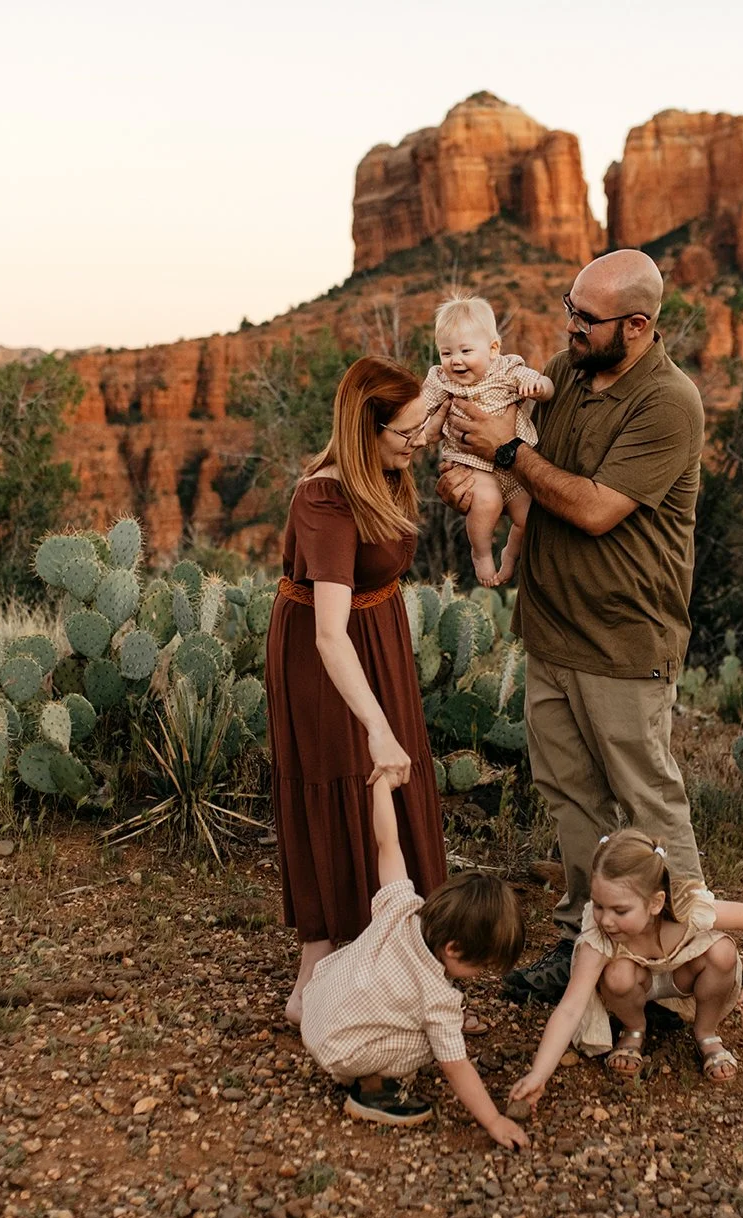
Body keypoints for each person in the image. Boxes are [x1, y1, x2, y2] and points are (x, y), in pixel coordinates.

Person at [438, 250, 706, 1003]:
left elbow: (592, 507)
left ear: (638, 324)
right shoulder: (570, 372)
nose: (570, 325)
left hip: (624, 641)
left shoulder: (668, 402)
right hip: (551, 631)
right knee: (572, 800)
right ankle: (583, 943)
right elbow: (509, 459)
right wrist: (473, 476)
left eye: (585, 318)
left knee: (647, 801)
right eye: (569, 307)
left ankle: (688, 958)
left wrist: (505, 451)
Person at [265, 355, 448, 1027]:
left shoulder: (388, 463)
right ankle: (317, 971)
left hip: (382, 636)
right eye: (404, 432)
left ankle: (412, 972)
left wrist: (444, 386)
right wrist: (375, 721)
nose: (418, 439)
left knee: (394, 785)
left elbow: (436, 392)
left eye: (420, 425)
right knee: (341, 778)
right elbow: (329, 635)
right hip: (329, 655)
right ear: (364, 430)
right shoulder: (327, 497)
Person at [300, 771, 530, 1145]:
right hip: (340, 1049)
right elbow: (455, 1065)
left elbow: (387, 843)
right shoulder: (438, 997)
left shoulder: (403, 906)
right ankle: (373, 1089)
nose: (480, 975)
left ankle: (358, 1058)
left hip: (317, 1007)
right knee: (433, 1040)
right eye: (480, 966)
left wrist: (379, 786)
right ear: (454, 949)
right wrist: (493, 1121)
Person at [508, 829, 743, 1102]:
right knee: (617, 974)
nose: (606, 920)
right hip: (634, 984)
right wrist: (538, 1075)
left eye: (620, 910)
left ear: (655, 903)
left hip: (681, 978)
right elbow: (569, 1009)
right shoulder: (598, 937)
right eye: (598, 905)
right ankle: (634, 1028)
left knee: (722, 952)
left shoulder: (688, 909)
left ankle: (705, 1032)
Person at [419, 296, 554, 585]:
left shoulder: (507, 370)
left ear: (493, 349)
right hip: (473, 466)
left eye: (466, 350)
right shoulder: (442, 380)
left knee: (529, 516)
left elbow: (545, 385)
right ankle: (481, 554)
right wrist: (423, 428)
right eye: (446, 353)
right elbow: (421, 406)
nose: (455, 360)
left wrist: (538, 387)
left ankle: (510, 555)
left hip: (517, 464)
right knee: (488, 503)